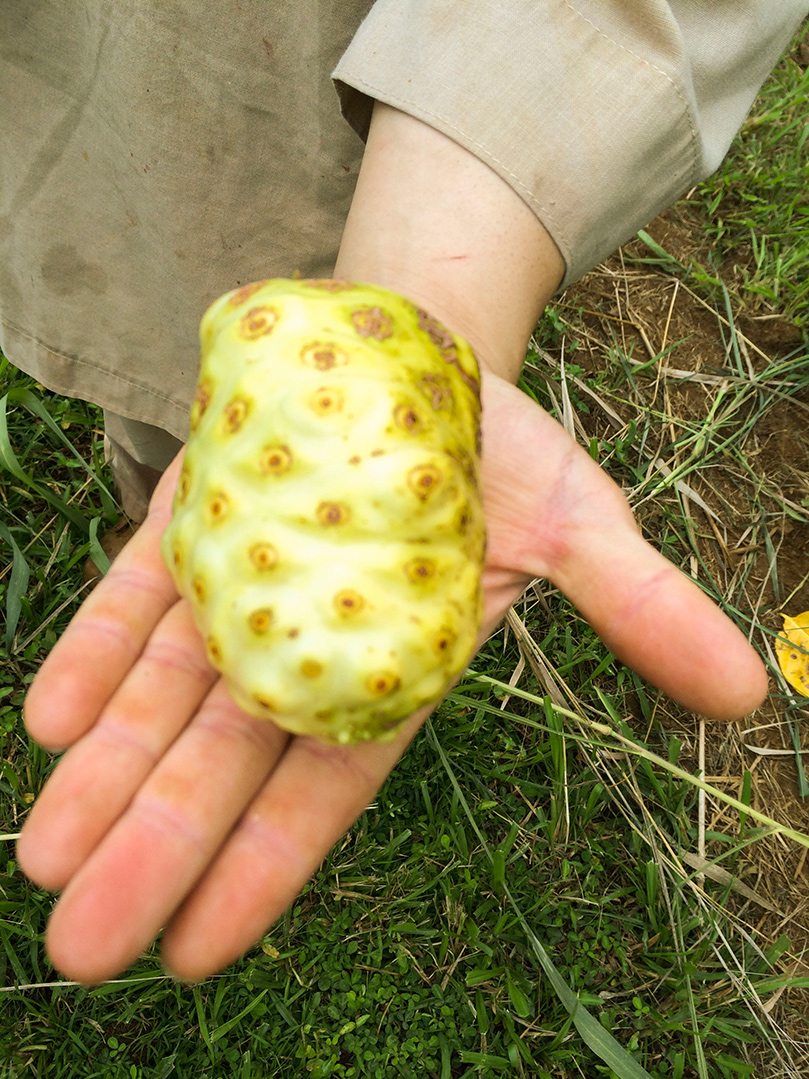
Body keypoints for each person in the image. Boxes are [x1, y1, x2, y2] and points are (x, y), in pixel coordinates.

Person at [3, 3, 806, 984]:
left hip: (341, 97)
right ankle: (146, 477)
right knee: (143, 308)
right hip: (99, 82)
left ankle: (157, 488)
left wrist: (445, 267)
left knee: (240, 242)